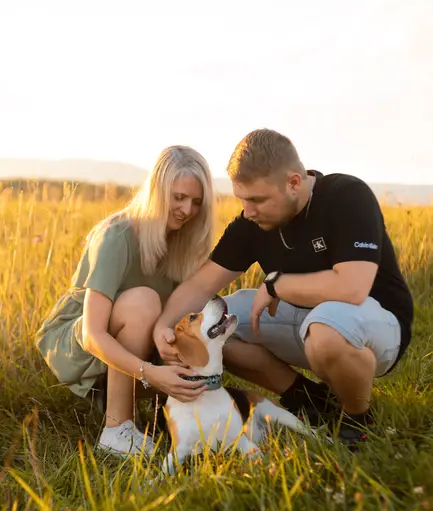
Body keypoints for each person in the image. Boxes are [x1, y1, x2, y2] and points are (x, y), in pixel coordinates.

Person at [153, 128, 414, 451]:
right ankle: (311, 401)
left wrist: (278, 284)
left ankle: (356, 421)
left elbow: (353, 287)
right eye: (242, 200)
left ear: (293, 182)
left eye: (256, 200)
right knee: (220, 328)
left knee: (325, 330)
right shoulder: (253, 222)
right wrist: (163, 327)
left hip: (376, 326)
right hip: (306, 323)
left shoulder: (346, 195)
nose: (247, 211)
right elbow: (201, 284)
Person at [35, 145, 216, 457]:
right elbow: (92, 335)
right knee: (142, 301)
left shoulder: (183, 243)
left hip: (136, 346)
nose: (187, 210)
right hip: (81, 346)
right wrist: (150, 372)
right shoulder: (117, 235)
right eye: (178, 197)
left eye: (196, 202)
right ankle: (117, 430)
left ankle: (183, 415)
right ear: (158, 191)